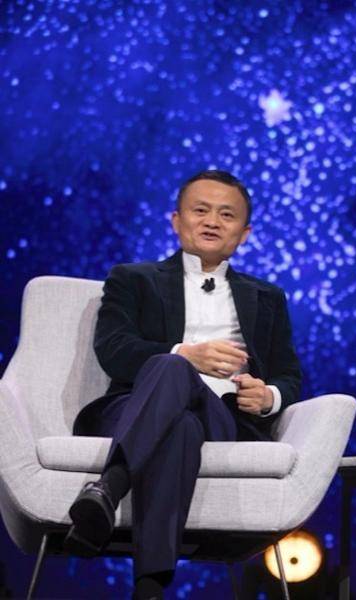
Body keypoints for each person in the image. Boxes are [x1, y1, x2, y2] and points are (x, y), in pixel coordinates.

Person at [67, 170, 302, 600]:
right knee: (179, 413)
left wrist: (269, 396)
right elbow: (114, 350)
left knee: (188, 405)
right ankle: (150, 589)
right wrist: (184, 354)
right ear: (177, 220)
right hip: (136, 407)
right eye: (201, 210)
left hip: (221, 415)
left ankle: (108, 488)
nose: (212, 221)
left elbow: (290, 373)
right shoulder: (132, 279)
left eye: (226, 215)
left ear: (244, 233)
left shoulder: (268, 297)